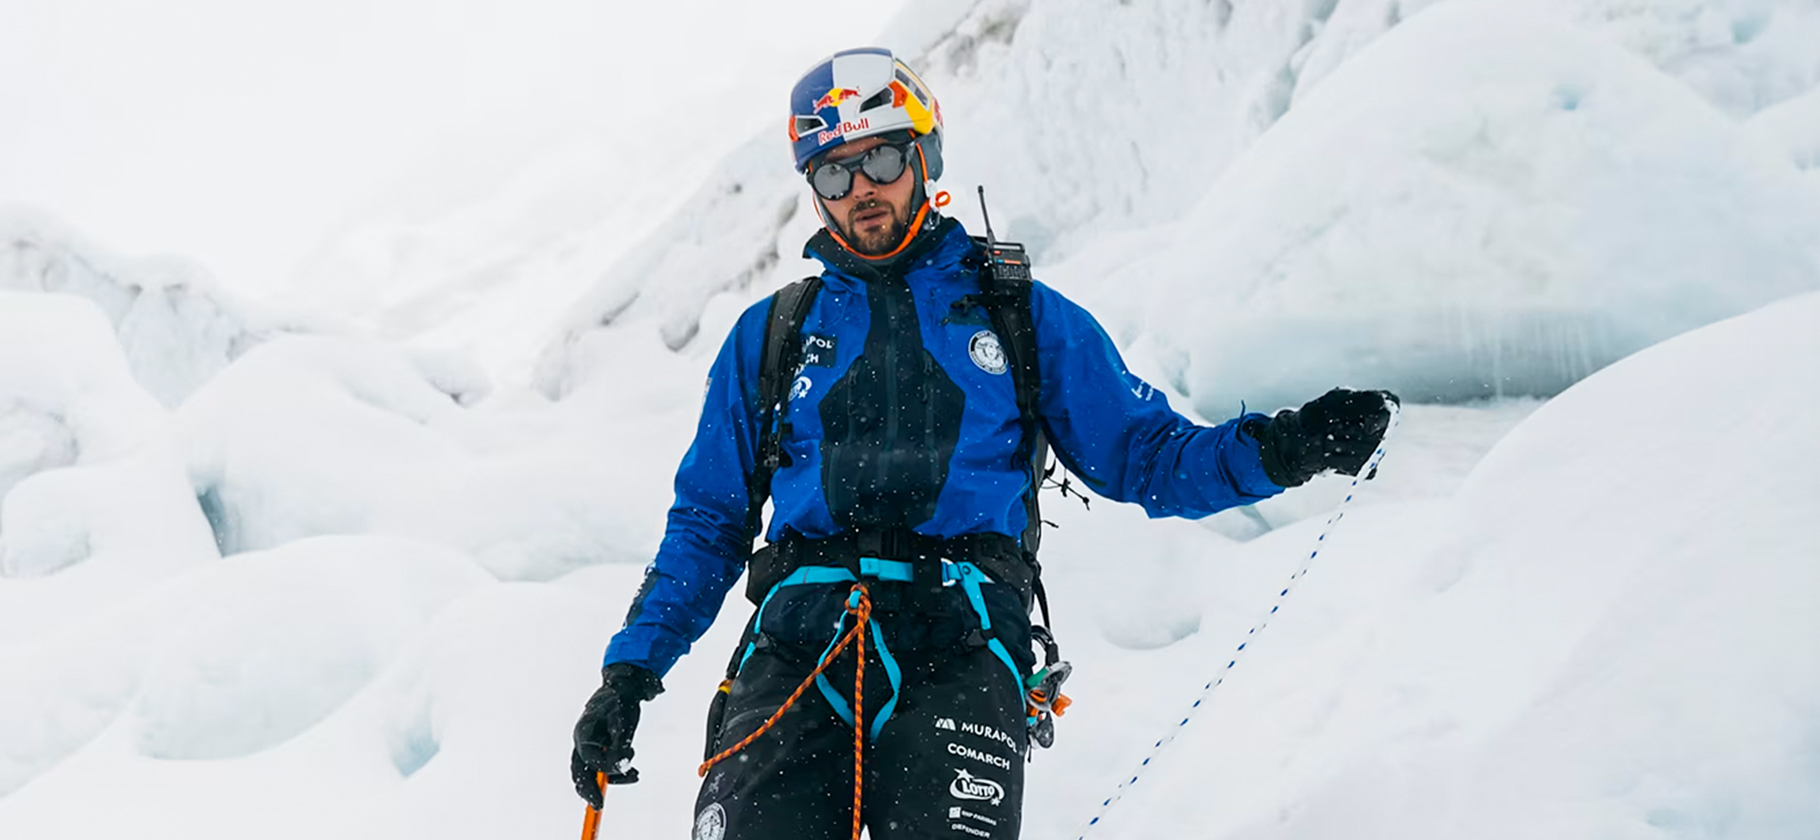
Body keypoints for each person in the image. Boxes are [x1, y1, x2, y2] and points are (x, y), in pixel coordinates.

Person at [570, 47, 1396, 840]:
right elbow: (709, 524)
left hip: (960, 645)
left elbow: (1148, 456)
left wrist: (1287, 448)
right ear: (812, 190)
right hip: (798, 643)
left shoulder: (1021, 316)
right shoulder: (772, 336)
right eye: (833, 171)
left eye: (883, 160)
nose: (862, 188)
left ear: (924, 158)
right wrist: (629, 675)